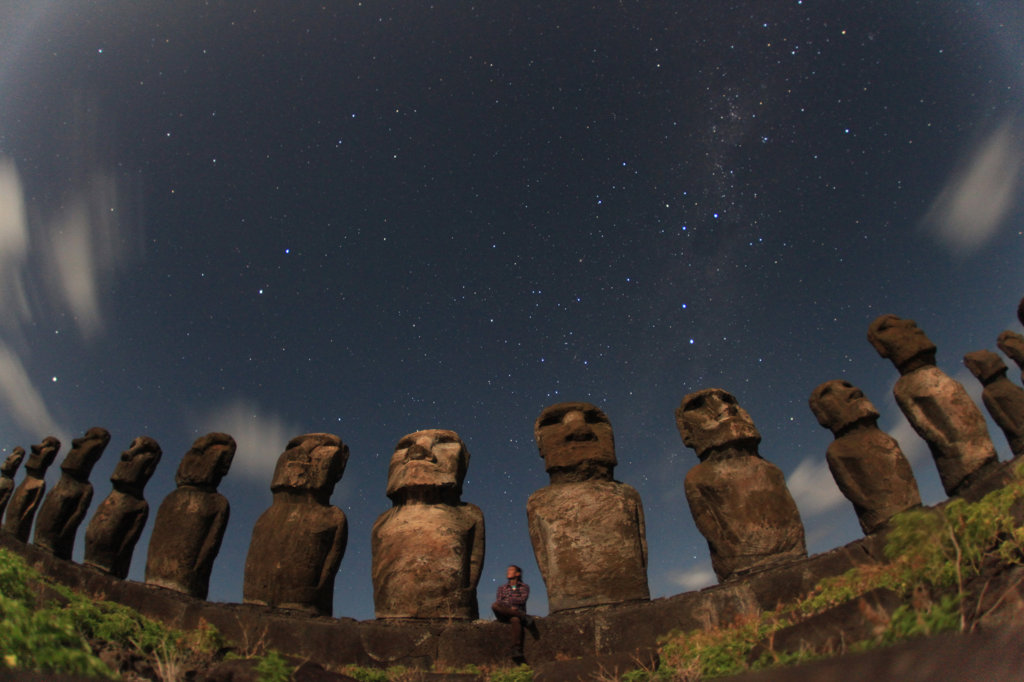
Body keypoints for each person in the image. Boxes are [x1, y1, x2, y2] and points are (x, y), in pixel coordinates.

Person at [492, 564, 535, 661]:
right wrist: (511, 607)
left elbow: (522, 599)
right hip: (505, 613)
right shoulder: (502, 588)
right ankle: (523, 616)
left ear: (517, 573)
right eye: (508, 570)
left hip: (515, 613)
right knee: (494, 605)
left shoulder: (524, 587)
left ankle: (517, 648)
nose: (508, 572)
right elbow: (499, 601)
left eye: (511, 570)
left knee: (515, 620)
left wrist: (507, 602)